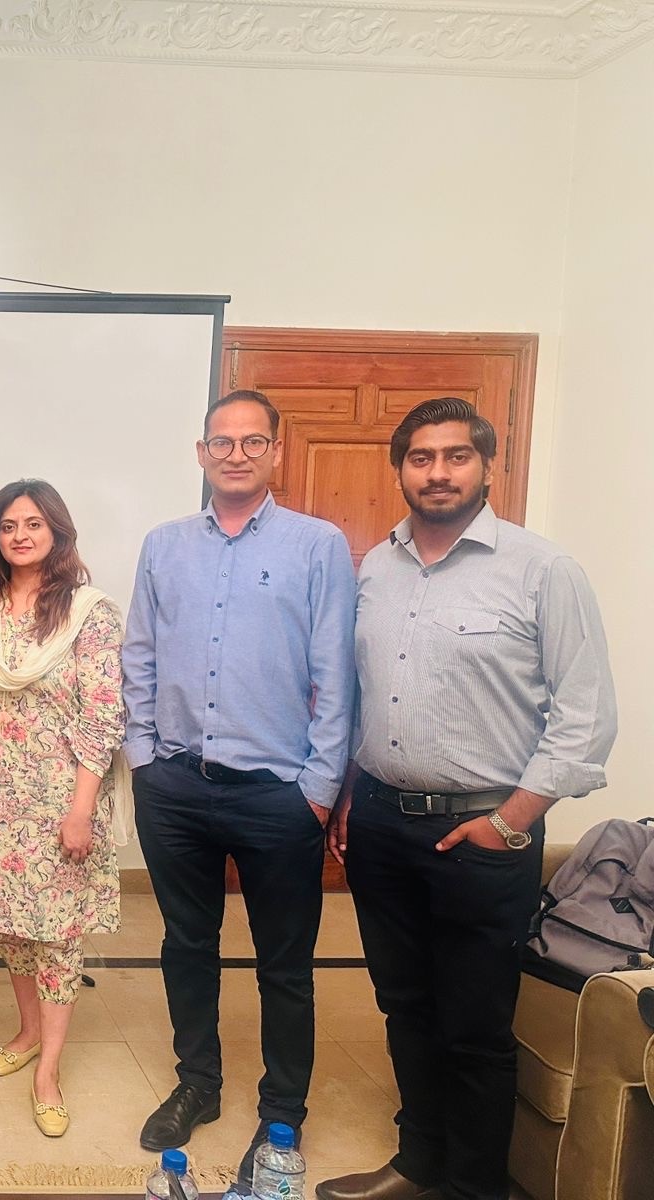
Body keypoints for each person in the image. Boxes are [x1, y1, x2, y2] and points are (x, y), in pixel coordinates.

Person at [319, 398, 617, 1200]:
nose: (438, 472)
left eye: (456, 456)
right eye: (421, 458)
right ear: (400, 469)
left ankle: (475, 1187)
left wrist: (512, 821)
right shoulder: (376, 568)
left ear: (489, 466)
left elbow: (586, 715)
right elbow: (361, 694)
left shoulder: (542, 570)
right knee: (404, 1006)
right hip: (381, 822)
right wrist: (347, 796)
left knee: (475, 1025)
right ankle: (419, 1163)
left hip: (483, 833)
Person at [122, 389, 356, 1187]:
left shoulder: (317, 545)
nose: (235, 455)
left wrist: (319, 786)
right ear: (201, 453)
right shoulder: (164, 545)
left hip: (277, 794)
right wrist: (143, 757)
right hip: (176, 785)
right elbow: (140, 654)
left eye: (253, 442)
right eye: (221, 442)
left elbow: (336, 671)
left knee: (284, 964)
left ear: (276, 453)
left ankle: (282, 1110)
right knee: (187, 945)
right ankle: (199, 1083)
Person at [0, 480, 126, 1137]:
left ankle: (48, 1071)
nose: (21, 535)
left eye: (33, 523)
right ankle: (28, 1031)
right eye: (8, 526)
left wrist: (81, 810)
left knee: (56, 938)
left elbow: (102, 716)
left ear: (57, 531)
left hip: (60, 803)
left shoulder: (88, 612)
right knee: (14, 929)